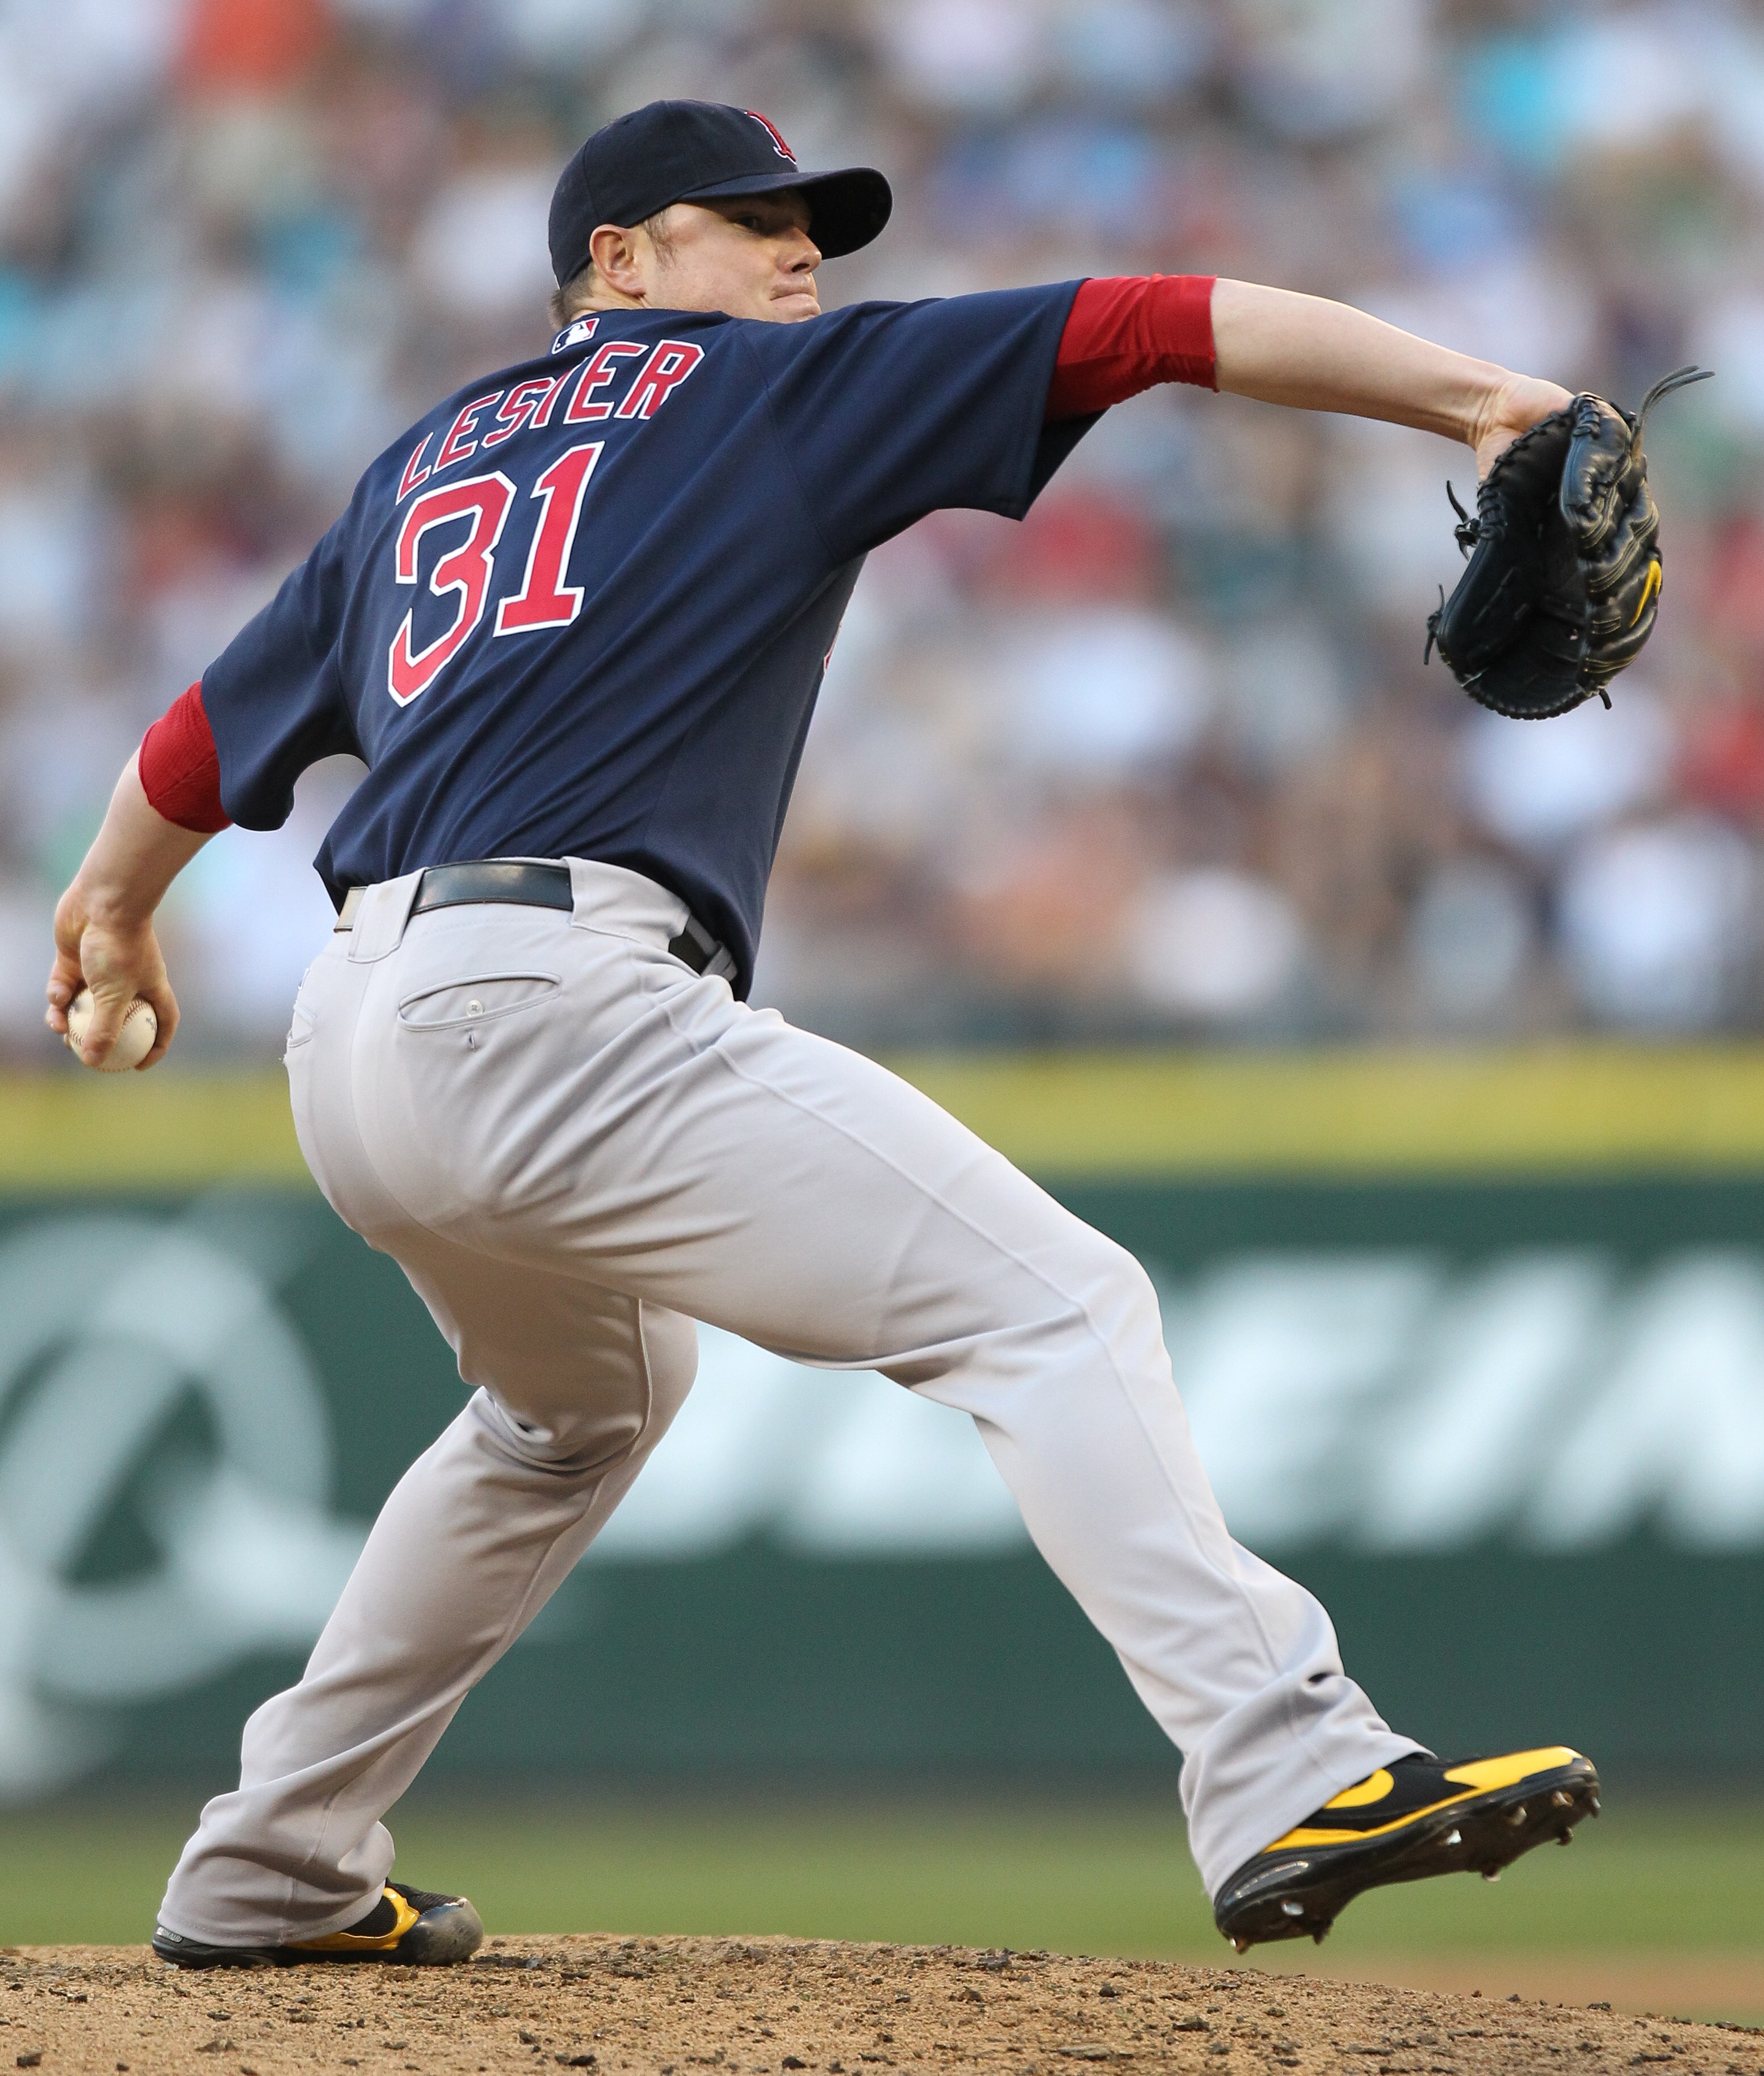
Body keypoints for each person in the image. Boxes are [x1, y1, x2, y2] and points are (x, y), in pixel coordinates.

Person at [47, 101, 1598, 1970]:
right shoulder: (764, 389)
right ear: (617, 264)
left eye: (814, 227)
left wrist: (113, 914)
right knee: (1053, 1304)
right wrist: (1480, 400)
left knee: (567, 1413)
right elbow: (1154, 317)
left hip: (357, 1035)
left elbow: (204, 746)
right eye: (747, 221)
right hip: (558, 1004)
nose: (800, 255)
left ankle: (269, 1862)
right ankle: (1288, 1766)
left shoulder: (420, 466)